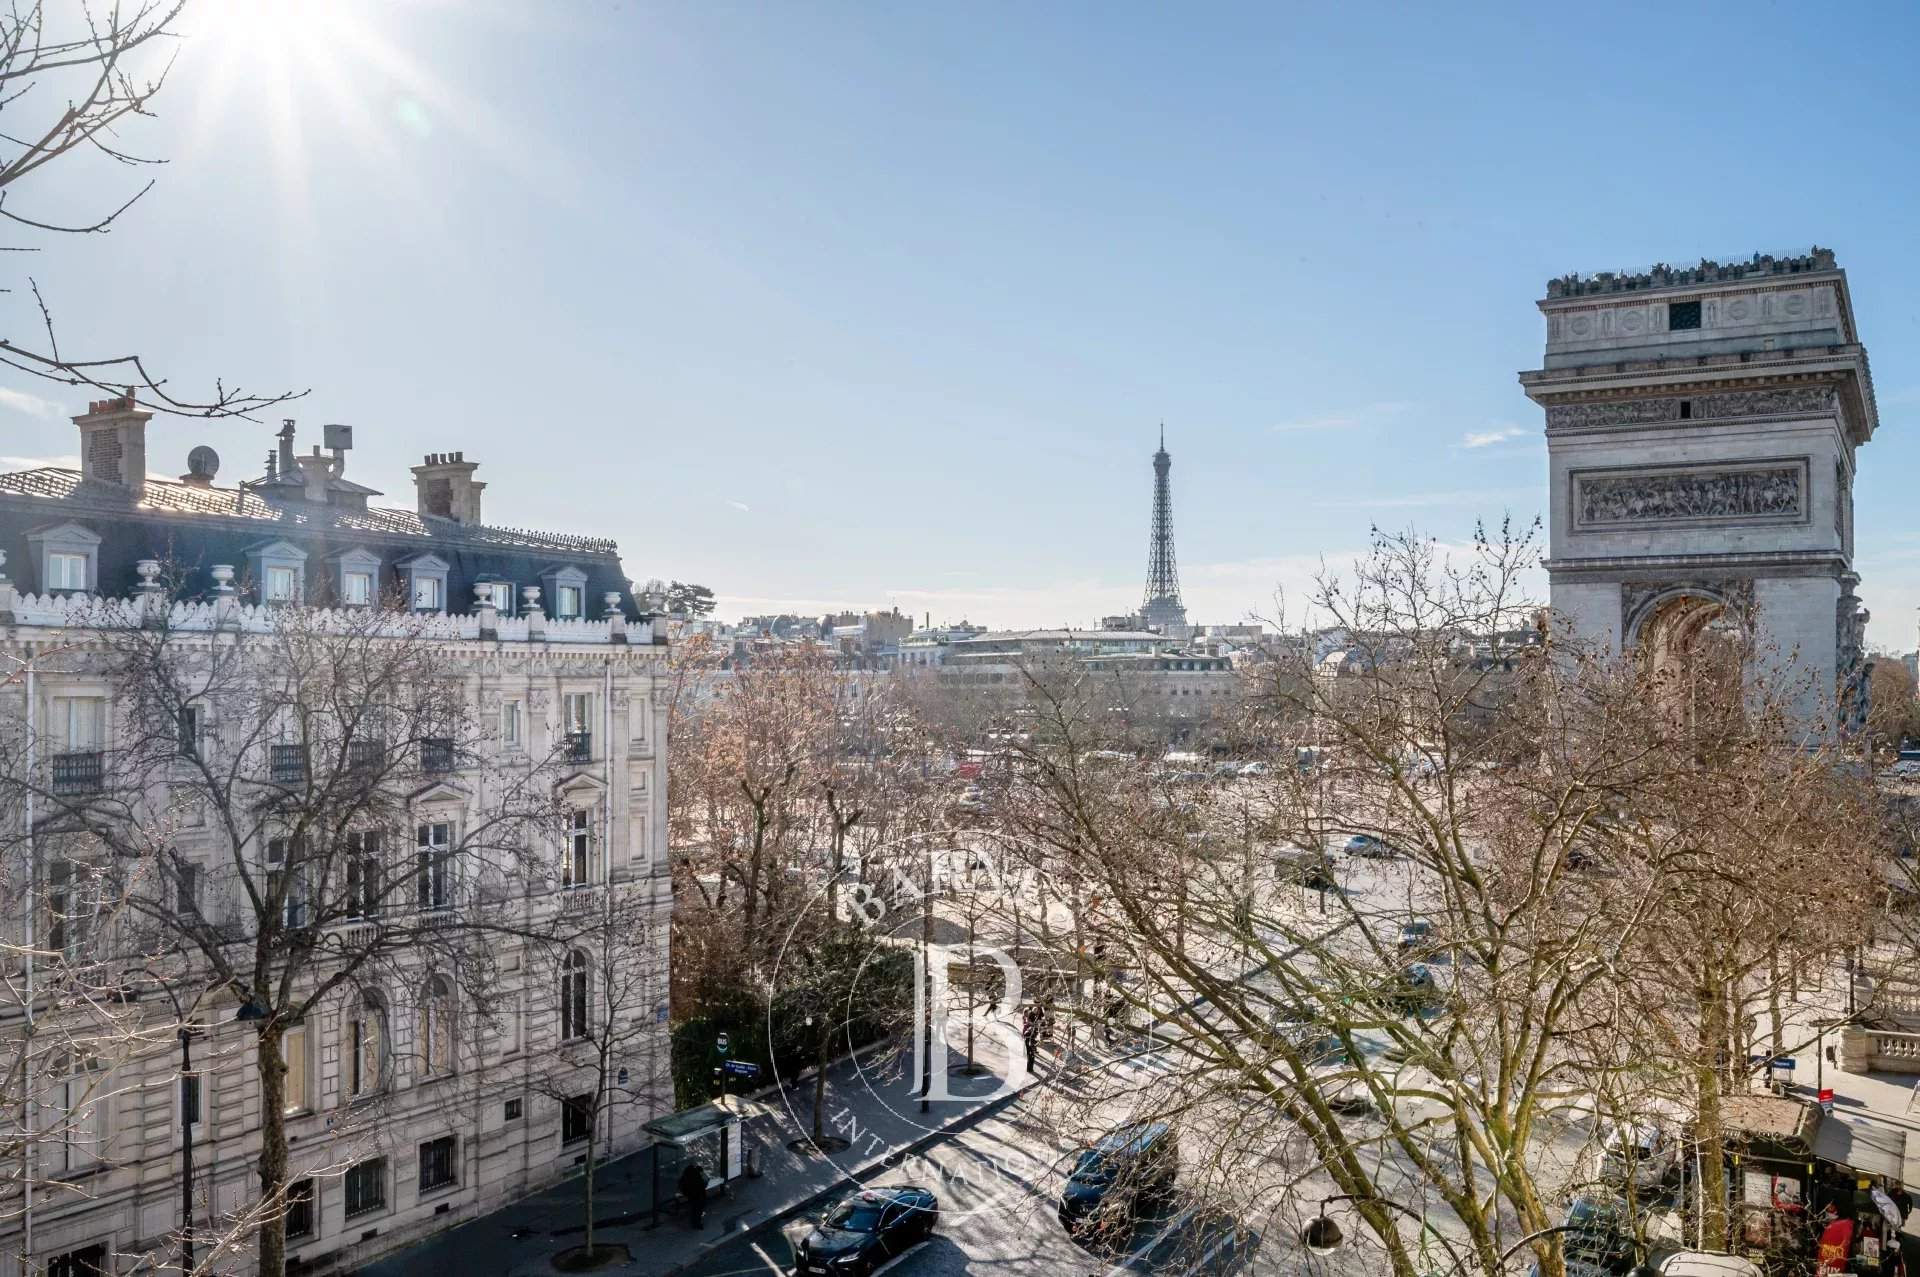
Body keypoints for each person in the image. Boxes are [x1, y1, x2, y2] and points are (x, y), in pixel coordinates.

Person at [678, 1159, 708, 1229]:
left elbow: (682, 1184)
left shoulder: (687, 1173)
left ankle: (694, 1222)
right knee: (698, 1209)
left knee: (694, 1208)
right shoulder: (697, 1176)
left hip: (691, 1194)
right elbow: (703, 1185)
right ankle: (697, 1223)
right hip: (698, 1195)